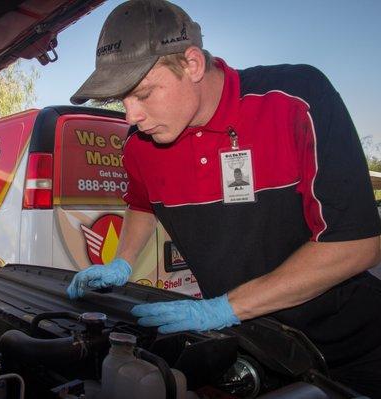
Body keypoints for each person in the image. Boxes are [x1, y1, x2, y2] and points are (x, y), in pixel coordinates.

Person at [67, 0, 381, 396]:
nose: (131, 116)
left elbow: (357, 245)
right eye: (120, 100)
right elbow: (142, 206)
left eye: (143, 93)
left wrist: (221, 308)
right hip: (249, 348)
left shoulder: (294, 100)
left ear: (193, 64)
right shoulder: (139, 146)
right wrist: (122, 262)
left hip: (350, 351)